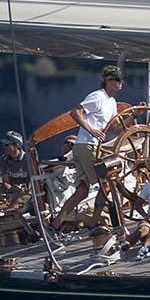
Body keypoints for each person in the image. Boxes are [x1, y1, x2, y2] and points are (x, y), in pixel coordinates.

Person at [56, 65, 125, 230]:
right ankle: (94, 225)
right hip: (88, 146)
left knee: (82, 191)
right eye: (116, 79)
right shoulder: (98, 97)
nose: (120, 83)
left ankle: (55, 224)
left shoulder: (111, 102)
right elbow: (75, 112)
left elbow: (117, 127)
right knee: (106, 183)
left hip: (83, 147)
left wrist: (134, 116)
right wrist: (91, 129)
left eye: (121, 80)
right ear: (107, 81)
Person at [0, 129, 30, 203]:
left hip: (26, 193)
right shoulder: (3, 160)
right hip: (9, 190)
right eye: (4, 144)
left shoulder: (28, 159)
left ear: (17, 145)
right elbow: (6, 182)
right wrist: (11, 190)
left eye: (7, 145)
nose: (4, 147)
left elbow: (33, 181)